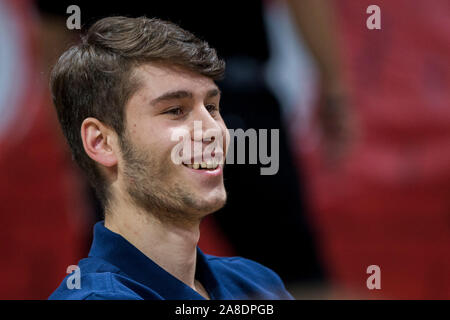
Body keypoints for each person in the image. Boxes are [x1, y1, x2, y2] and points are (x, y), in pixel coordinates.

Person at [48, 16, 293, 300]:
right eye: (176, 110)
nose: (213, 130)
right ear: (101, 142)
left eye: (212, 107)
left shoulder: (256, 282)